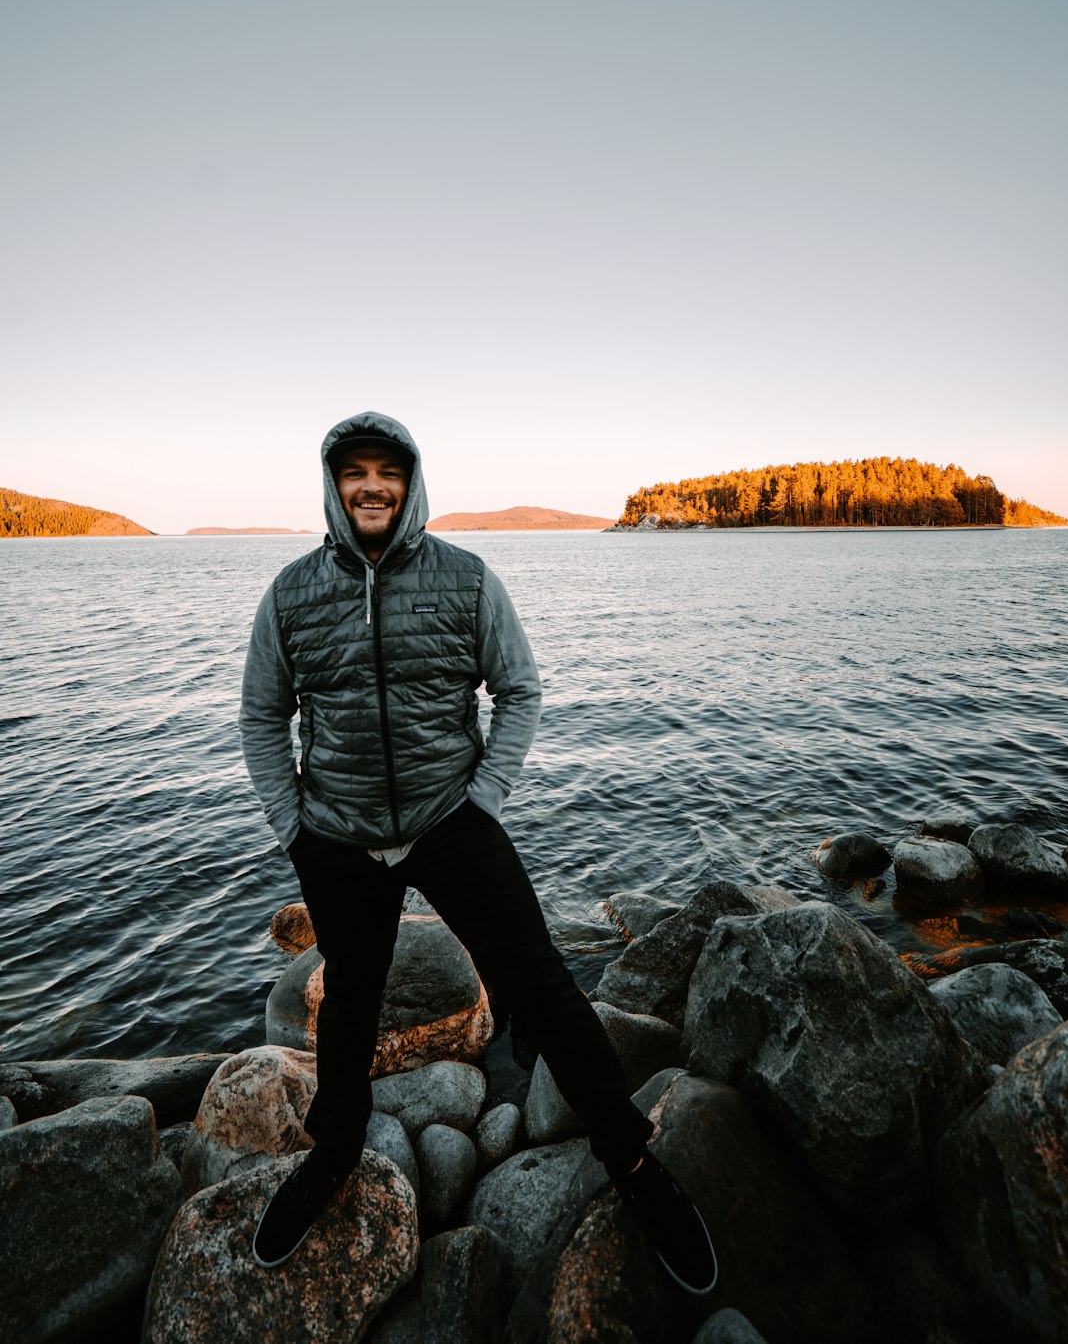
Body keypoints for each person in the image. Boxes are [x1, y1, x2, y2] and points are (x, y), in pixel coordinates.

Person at [239, 412, 717, 1294]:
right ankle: (334, 1151)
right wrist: (293, 828)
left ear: (411, 481)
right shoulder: (292, 593)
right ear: (334, 484)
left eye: (388, 471)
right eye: (356, 473)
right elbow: (263, 717)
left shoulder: (464, 577)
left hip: (452, 822)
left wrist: (482, 802)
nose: (372, 486)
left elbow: (520, 691)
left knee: (542, 987)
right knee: (349, 1003)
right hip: (338, 837)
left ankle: (633, 1158)